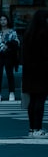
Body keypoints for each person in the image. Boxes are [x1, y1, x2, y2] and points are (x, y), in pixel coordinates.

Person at [21, 9, 48, 137]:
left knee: (32, 100)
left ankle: (32, 128)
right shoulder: (44, 34)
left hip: (29, 71)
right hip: (41, 70)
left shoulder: (28, 33)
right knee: (40, 100)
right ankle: (38, 128)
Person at [0, 13, 19, 102]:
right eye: (1, 20)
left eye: (4, 19)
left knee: (10, 74)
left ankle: (11, 92)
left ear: (7, 21)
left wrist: (8, 46)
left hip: (9, 55)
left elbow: (17, 43)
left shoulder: (12, 31)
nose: (3, 21)